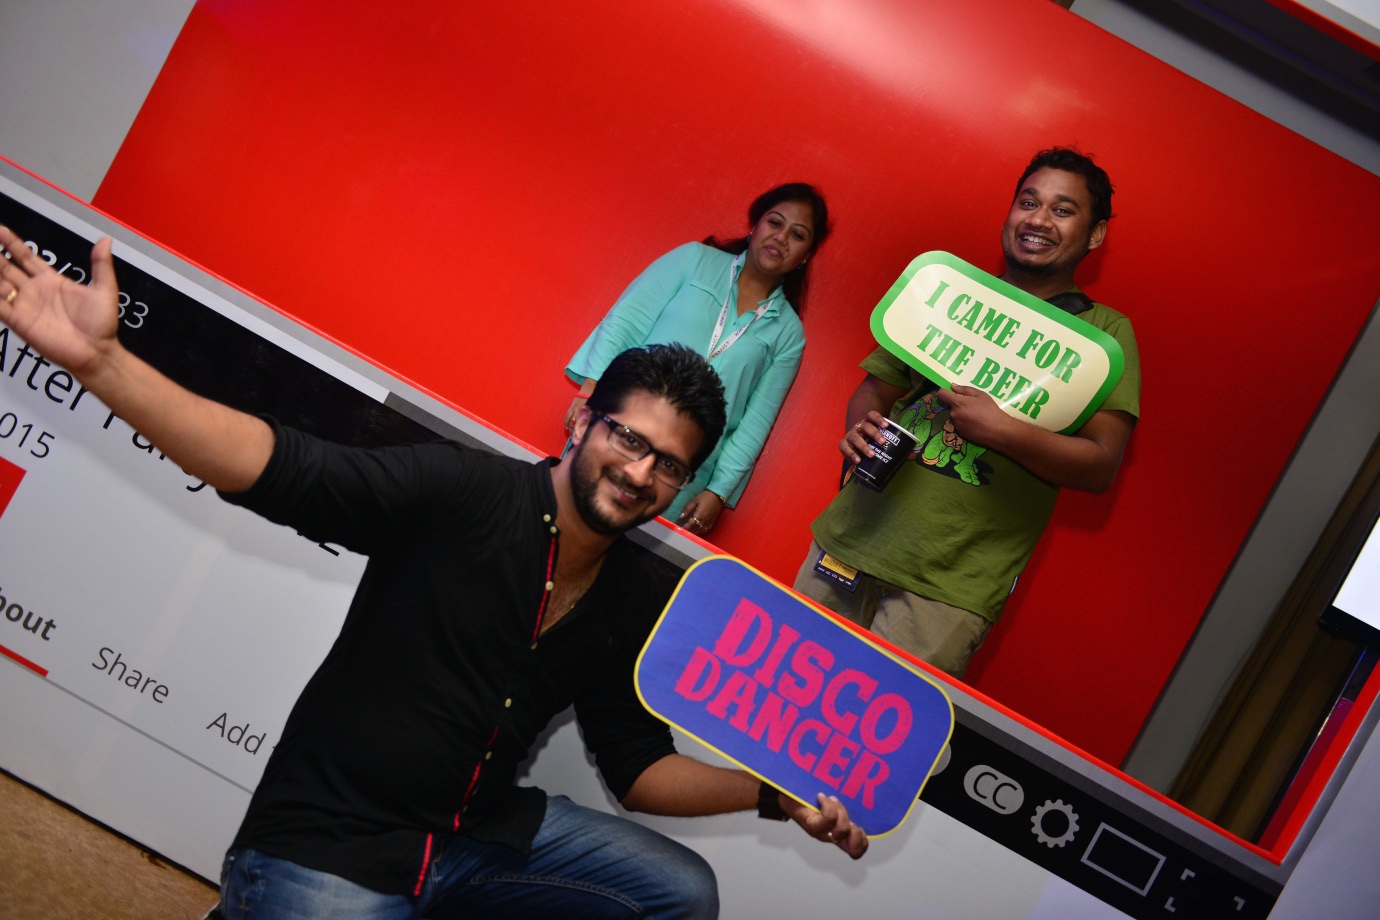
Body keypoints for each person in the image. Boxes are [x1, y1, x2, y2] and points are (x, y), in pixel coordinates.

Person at [0, 226, 867, 920]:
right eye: (628, 438)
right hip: (332, 843)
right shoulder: (464, 491)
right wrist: (102, 363)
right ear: (582, 422)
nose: (640, 473)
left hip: (471, 838)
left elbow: (638, 768)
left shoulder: (632, 593)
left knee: (679, 893)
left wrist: (771, 794)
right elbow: (278, 466)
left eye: (668, 464)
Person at [792, 147, 1141, 681]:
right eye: (1029, 202)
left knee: (875, 731)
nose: (1039, 220)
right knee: (775, 701)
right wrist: (860, 426)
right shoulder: (949, 294)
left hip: (950, 587)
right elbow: (875, 390)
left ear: (1094, 235)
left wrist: (1003, 430)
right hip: (850, 536)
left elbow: (1100, 465)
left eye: (1062, 210)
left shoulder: (1105, 337)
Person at [565, 183, 830, 536]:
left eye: (797, 235)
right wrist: (589, 390)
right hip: (619, 431)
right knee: (570, 526)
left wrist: (718, 492)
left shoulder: (788, 334)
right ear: (755, 224)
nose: (781, 238)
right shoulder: (693, 260)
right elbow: (624, 324)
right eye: (775, 222)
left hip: (684, 470)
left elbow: (755, 423)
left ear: (806, 255)